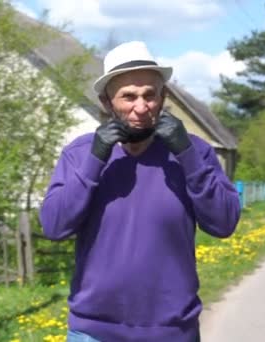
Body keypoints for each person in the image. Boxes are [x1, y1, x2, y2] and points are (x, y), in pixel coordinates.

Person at [40, 41, 241, 342]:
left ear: (164, 98)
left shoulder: (194, 152)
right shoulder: (80, 154)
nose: (141, 107)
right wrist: (96, 159)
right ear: (107, 102)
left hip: (172, 332)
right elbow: (54, 226)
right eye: (128, 97)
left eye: (150, 95)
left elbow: (224, 223)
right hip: (93, 332)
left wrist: (186, 154)